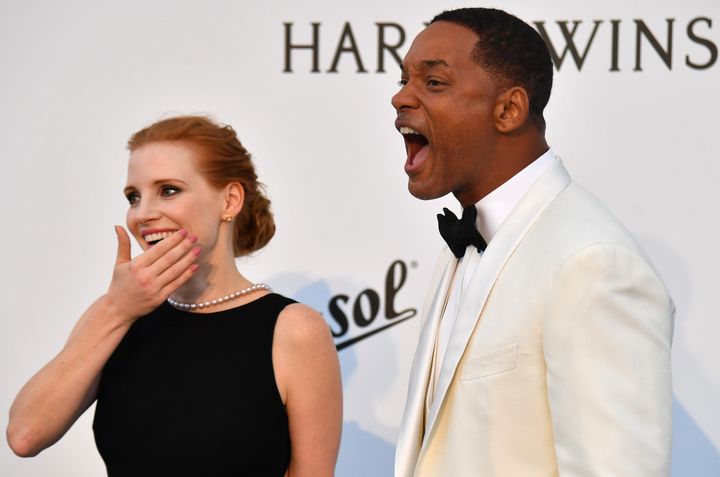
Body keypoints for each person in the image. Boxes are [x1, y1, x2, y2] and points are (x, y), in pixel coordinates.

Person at [392, 8, 674, 477]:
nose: (401, 97)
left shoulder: (592, 263)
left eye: (434, 83)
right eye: (403, 80)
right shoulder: (462, 245)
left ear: (509, 110)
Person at [7, 115, 342, 476]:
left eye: (168, 190)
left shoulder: (293, 331)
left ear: (229, 200)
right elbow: (25, 436)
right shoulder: (115, 317)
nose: (144, 214)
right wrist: (117, 309)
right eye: (134, 197)